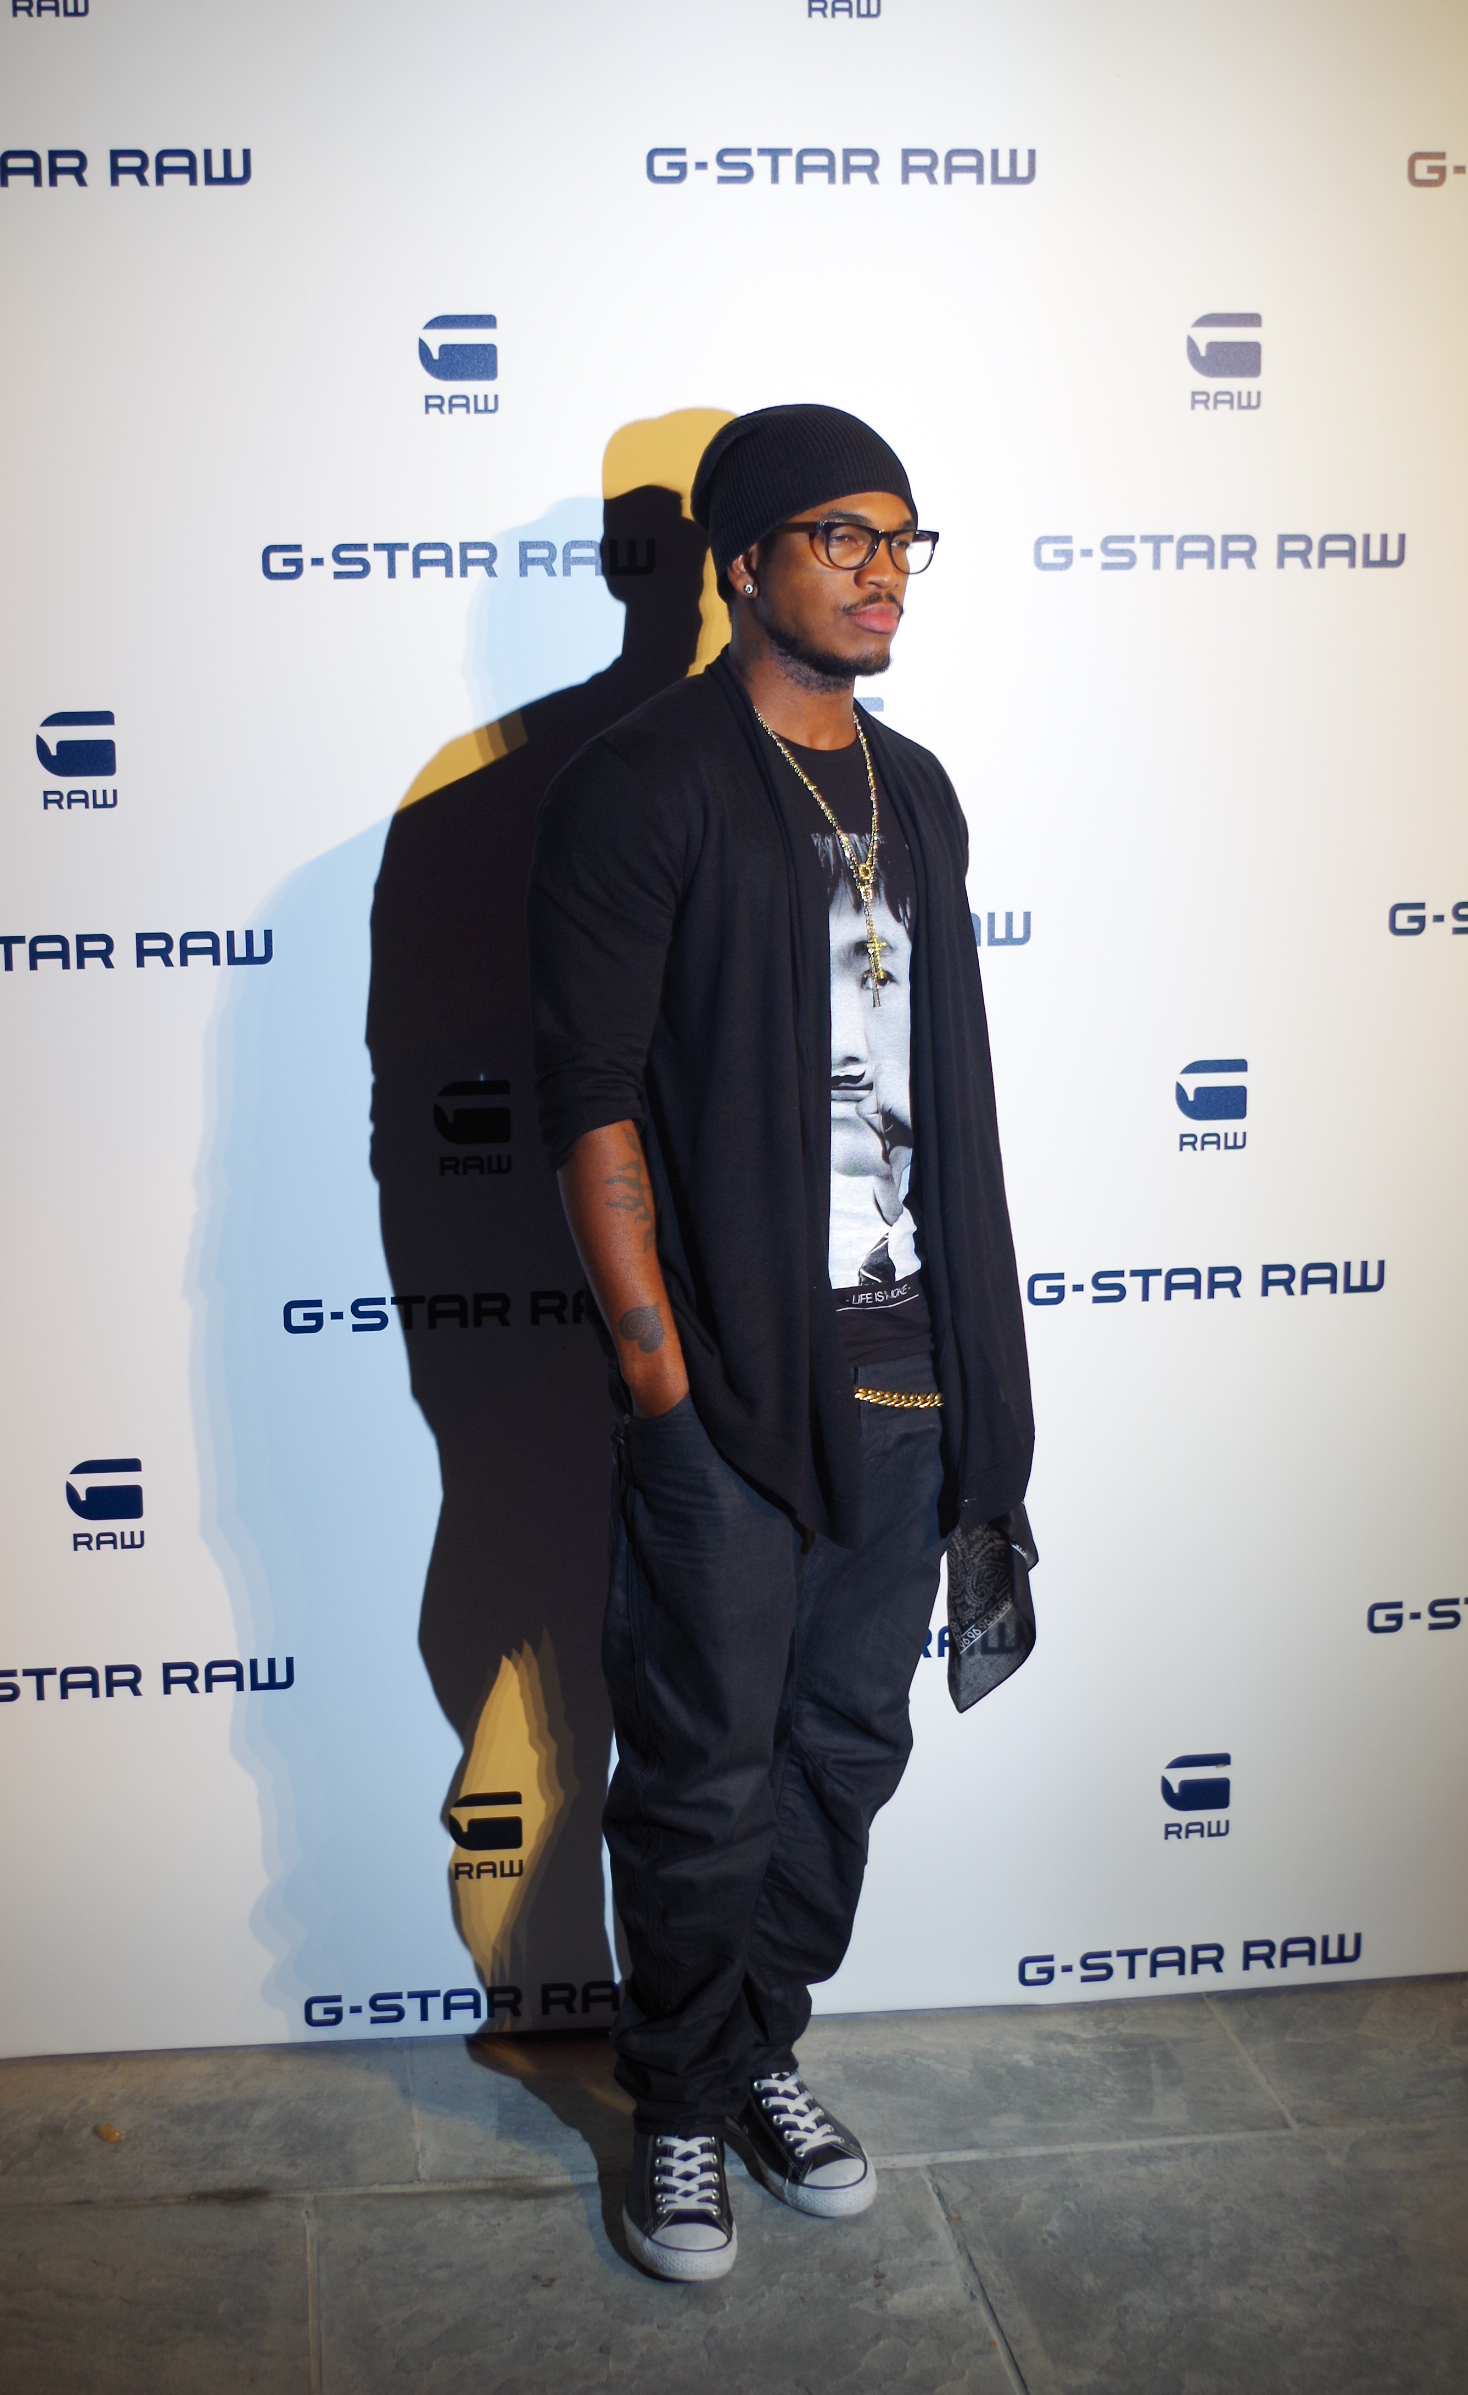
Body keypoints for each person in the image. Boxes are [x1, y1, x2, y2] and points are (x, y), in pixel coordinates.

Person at [527, 403, 1033, 2281]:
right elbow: (588, 1097)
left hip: (911, 1363)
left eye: (901, 537)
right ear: (741, 562)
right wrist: (659, 1376)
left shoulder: (919, 787)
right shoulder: (644, 782)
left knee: (842, 1749)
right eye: (839, 535)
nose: (882, 570)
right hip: (728, 1381)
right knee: (703, 1773)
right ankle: (672, 2101)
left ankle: (756, 2051)